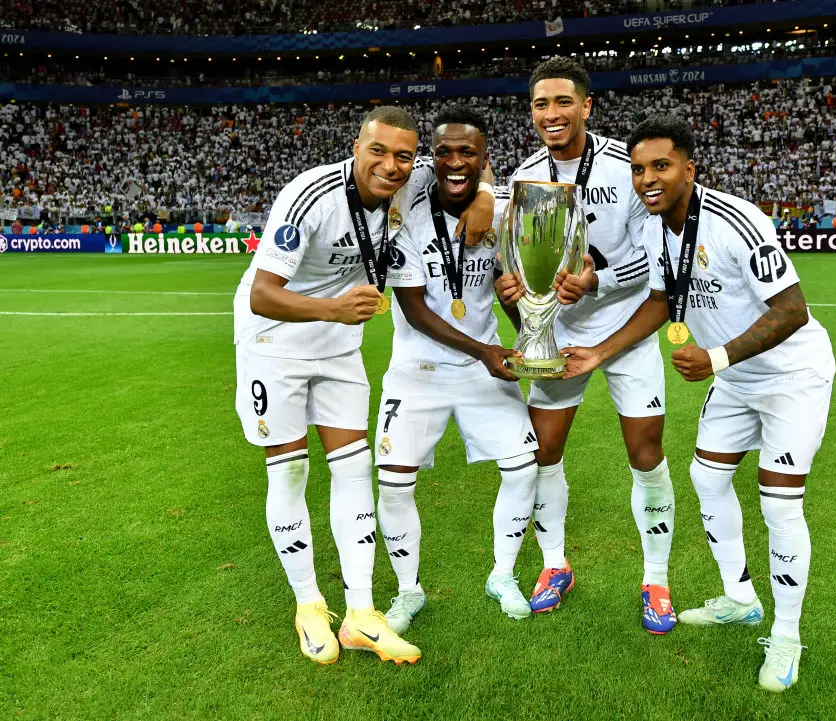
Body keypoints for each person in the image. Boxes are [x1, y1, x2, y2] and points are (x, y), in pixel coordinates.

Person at [559, 116, 835, 692]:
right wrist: (599, 353)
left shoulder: (737, 220)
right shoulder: (659, 230)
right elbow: (661, 301)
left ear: (689, 167)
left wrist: (716, 360)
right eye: (638, 169)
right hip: (735, 381)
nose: (646, 179)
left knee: (780, 506)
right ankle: (740, 598)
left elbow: (791, 311)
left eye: (661, 166)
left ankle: (786, 635)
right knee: (706, 480)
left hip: (790, 378)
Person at [233, 104, 497, 668]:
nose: (391, 166)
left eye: (404, 156)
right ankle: (309, 605)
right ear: (357, 147)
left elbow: (470, 169)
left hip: (337, 342)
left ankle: (361, 614)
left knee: (352, 469)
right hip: (273, 340)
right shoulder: (311, 195)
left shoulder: (414, 177)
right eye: (378, 151)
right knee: (292, 467)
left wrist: (484, 198)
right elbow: (262, 293)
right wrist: (331, 309)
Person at [495, 57, 677, 634]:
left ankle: (656, 578)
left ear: (587, 106)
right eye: (541, 104)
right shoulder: (523, 178)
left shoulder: (628, 169)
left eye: (563, 102)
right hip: (557, 333)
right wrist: (514, 288)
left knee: (645, 453)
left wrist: (597, 278)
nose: (552, 114)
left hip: (624, 331)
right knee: (543, 451)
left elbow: (658, 258)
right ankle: (554, 566)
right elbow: (515, 259)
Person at [373, 105, 540, 635]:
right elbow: (415, 310)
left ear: (485, 159)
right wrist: (487, 353)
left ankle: (502, 575)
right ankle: (408, 591)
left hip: (482, 367)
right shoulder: (408, 206)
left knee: (523, 467)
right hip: (418, 368)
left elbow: (515, 291)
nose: (454, 161)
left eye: (467, 152)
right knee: (394, 485)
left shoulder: (509, 210)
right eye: (443, 150)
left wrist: (526, 324)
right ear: (432, 155)